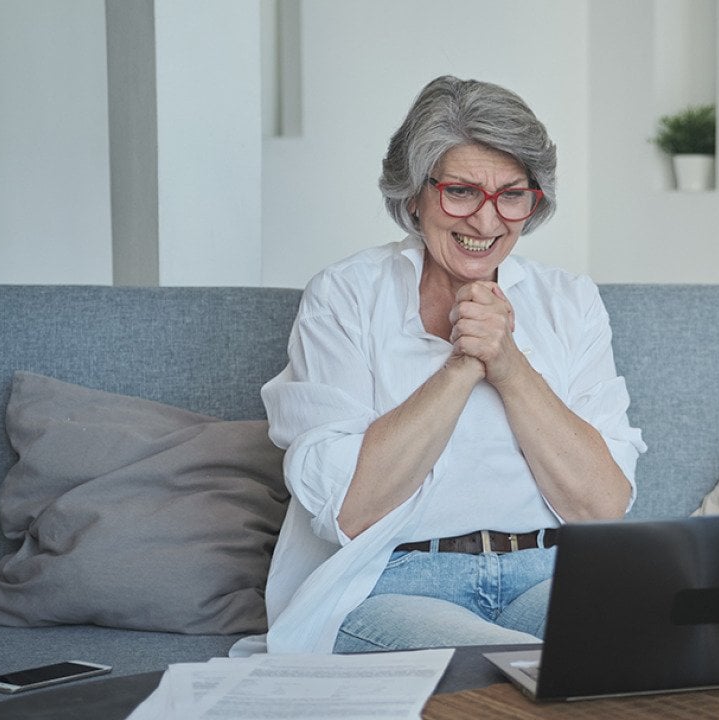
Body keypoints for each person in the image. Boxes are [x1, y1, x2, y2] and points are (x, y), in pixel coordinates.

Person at [246, 76, 645, 656]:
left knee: (630, 648)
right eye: (460, 191)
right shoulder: (346, 296)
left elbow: (602, 507)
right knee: (492, 677)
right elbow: (350, 511)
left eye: (512, 194)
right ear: (413, 195)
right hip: (389, 583)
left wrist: (507, 363)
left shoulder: (569, 301)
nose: (487, 222)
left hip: (549, 574)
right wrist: (462, 365)